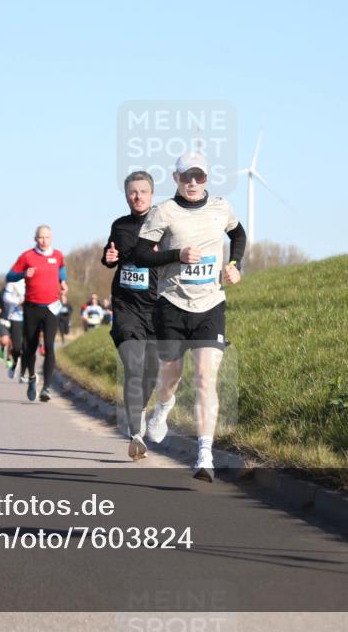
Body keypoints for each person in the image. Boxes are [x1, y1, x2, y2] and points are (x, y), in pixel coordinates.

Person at [133, 151, 246, 481]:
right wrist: (176, 255)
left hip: (211, 305)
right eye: (186, 177)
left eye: (199, 176)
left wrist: (235, 264)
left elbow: (238, 235)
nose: (193, 183)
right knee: (172, 374)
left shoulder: (221, 208)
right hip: (172, 304)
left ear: (207, 178)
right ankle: (163, 409)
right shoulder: (163, 212)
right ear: (176, 179)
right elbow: (140, 255)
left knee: (205, 378)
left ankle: (205, 454)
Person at [102, 170, 161, 461]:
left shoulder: (165, 223)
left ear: (152, 194)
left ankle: (140, 409)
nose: (137, 196)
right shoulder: (120, 225)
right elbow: (110, 253)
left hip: (157, 309)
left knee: (152, 372)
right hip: (126, 306)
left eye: (143, 191)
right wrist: (108, 258)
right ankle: (136, 433)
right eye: (132, 192)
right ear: (126, 195)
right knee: (133, 364)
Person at [5, 225, 68, 402]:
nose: (43, 241)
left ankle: (46, 387)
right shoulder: (27, 256)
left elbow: (61, 268)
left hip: (51, 308)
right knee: (30, 347)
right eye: (40, 238)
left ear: (51, 238)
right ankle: (32, 377)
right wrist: (23, 273)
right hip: (32, 307)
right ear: (35, 239)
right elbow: (9, 276)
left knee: (49, 346)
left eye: (46, 238)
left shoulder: (57, 255)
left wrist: (63, 281)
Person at [0, 279, 26, 380]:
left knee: (27, 348)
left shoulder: (35, 280)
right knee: (17, 348)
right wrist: (19, 302)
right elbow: (6, 297)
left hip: (31, 317)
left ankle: (23, 373)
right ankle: (15, 363)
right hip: (16, 317)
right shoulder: (13, 282)